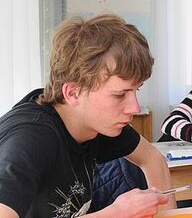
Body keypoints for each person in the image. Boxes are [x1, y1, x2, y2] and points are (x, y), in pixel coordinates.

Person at [0, 14, 175, 218]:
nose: (135, 107)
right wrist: (116, 213)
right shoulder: (30, 140)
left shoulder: (94, 121)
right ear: (73, 93)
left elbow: (154, 160)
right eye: (119, 95)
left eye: (136, 90)